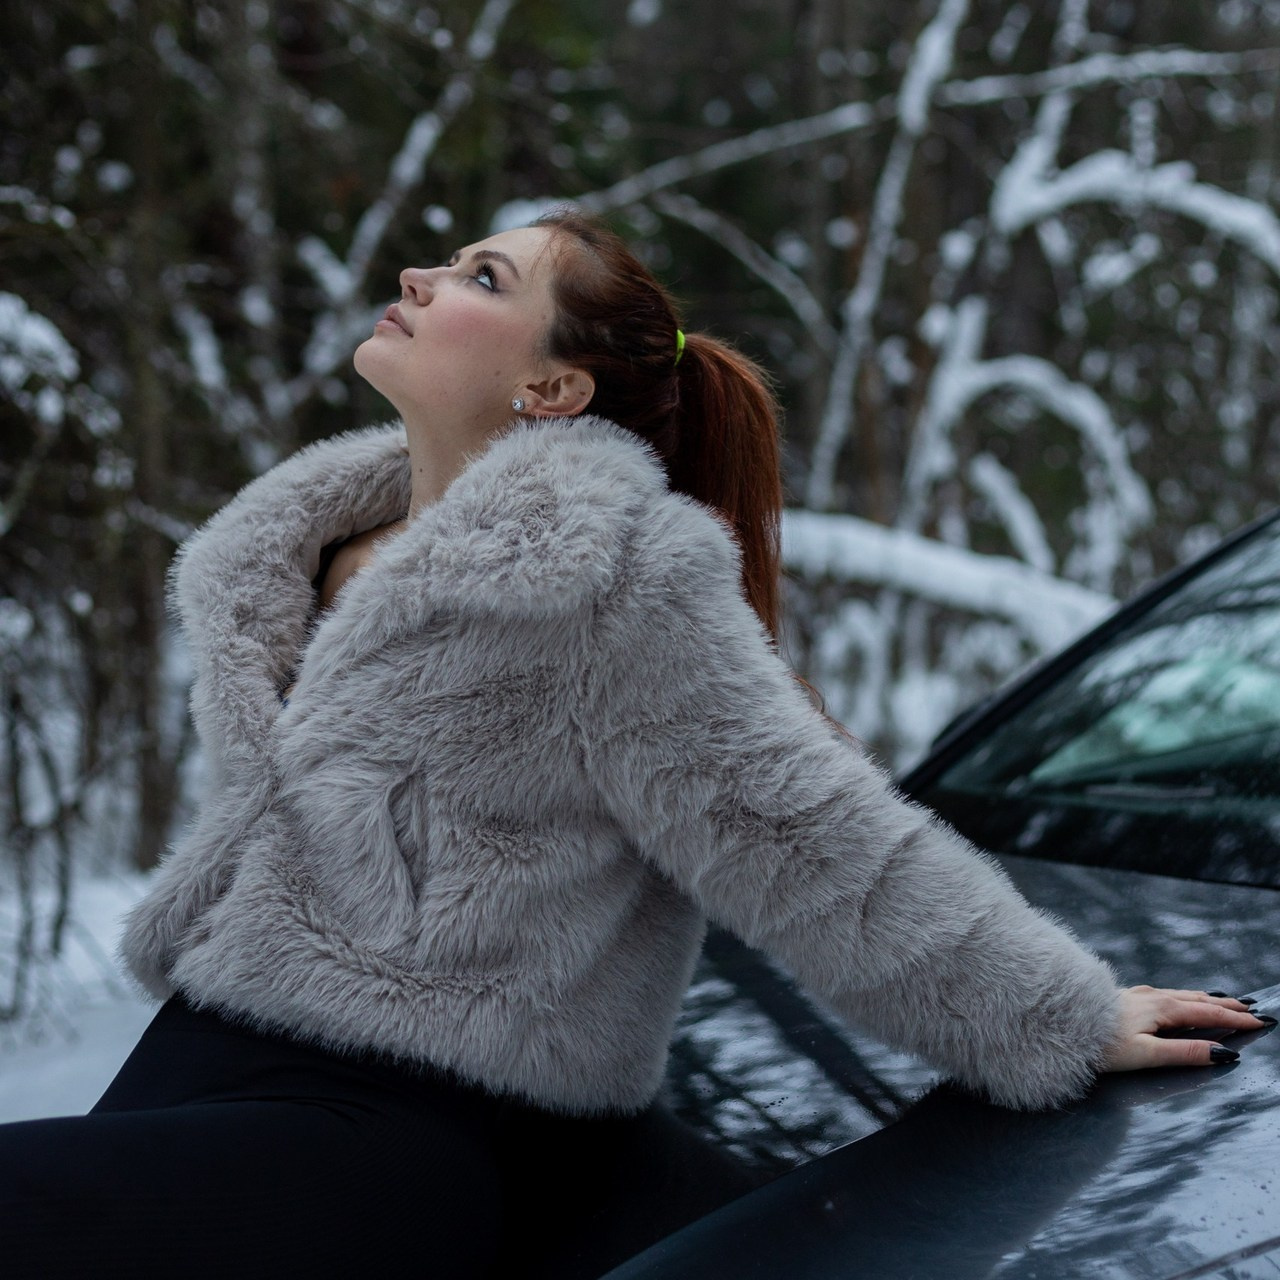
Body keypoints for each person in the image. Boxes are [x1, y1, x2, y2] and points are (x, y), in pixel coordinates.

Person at [0, 210, 1270, 1277]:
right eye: (448, 262)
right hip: (205, 1055)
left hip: (381, 1117)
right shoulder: (316, 552)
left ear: (549, 388)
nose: (418, 277)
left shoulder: (606, 579)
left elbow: (801, 829)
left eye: (480, 277)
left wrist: (1052, 1016)